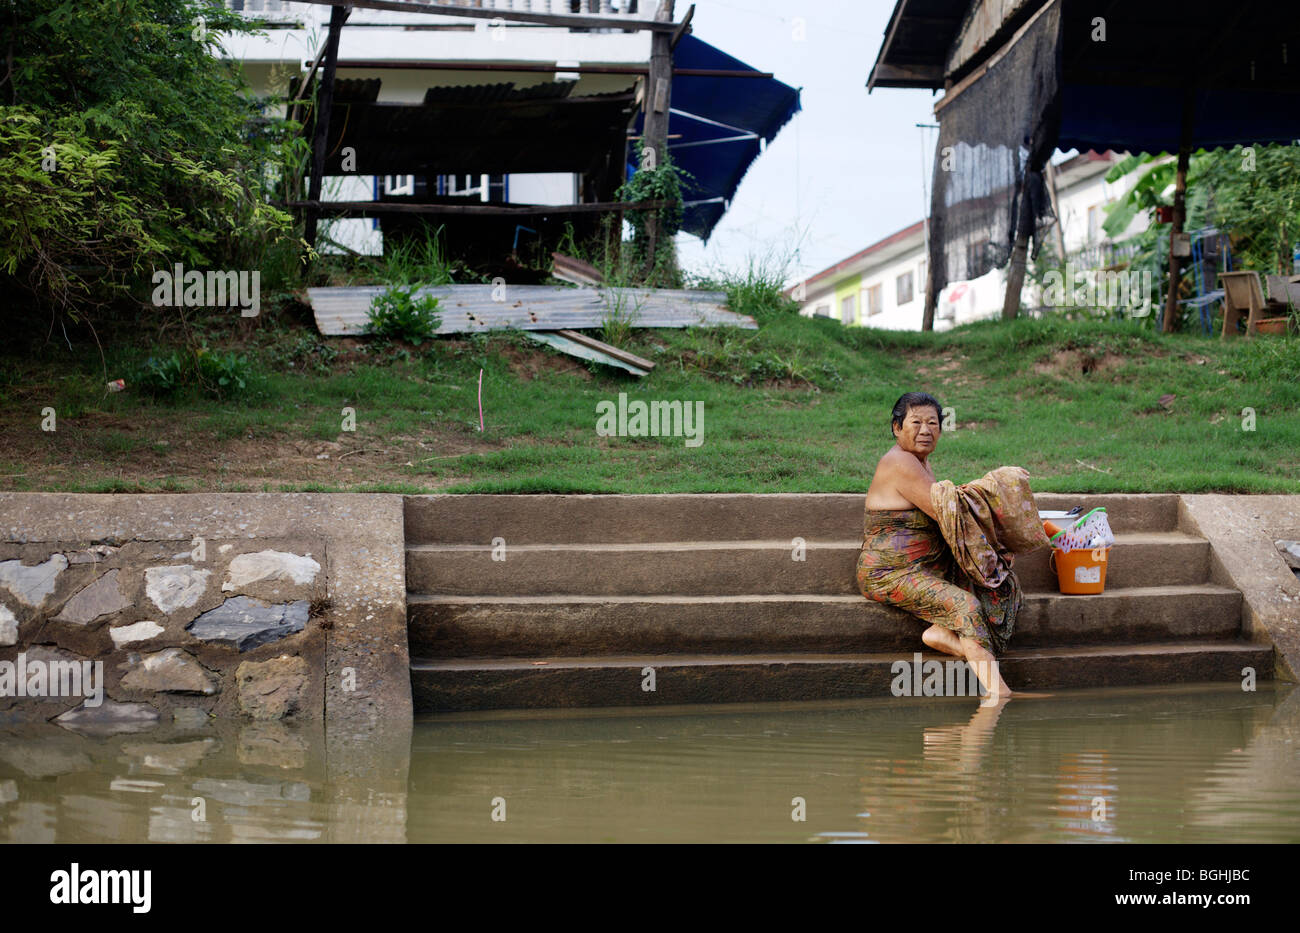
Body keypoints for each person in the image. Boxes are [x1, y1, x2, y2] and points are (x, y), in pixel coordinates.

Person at [857, 391, 1015, 702]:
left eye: (933, 423)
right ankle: (999, 694)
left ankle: (941, 633)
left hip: (927, 565)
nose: (926, 430)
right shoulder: (899, 462)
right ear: (896, 428)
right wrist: (998, 488)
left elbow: (950, 511)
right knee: (966, 607)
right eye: (915, 422)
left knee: (995, 579)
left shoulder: (921, 463)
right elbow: (946, 511)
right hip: (890, 572)